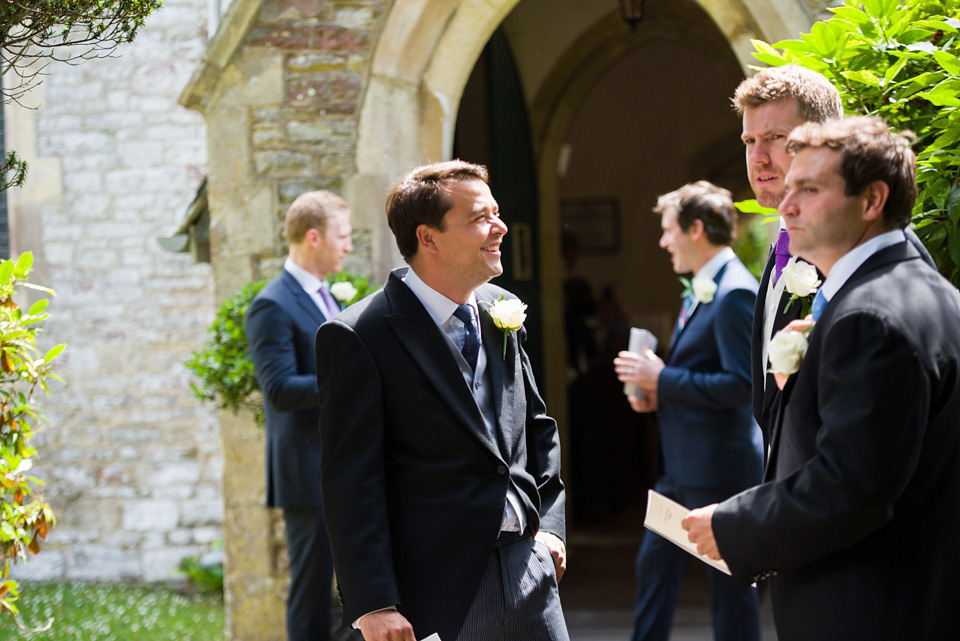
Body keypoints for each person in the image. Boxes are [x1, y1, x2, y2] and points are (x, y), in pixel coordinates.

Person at [683, 116, 960, 640]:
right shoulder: (928, 290)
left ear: (872, 201)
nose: (786, 206)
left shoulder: (868, 317)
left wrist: (732, 524)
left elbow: (851, 486)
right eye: (789, 189)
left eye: (808, 189)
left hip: (870, 609)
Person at [315, 160, 568, 641]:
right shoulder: (359, 335)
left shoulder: (500, 310)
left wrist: (550, 528)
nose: (500, 227)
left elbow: (537, 428)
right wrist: (373, 603)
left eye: (496, 212)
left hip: (529, 574)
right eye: (479, 218)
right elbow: (351, 482)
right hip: (437, 591)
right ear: (428, 238)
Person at [735, 65, 933, 439]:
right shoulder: (783, 242)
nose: (758, 157)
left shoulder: (874, 264)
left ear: (823, 141)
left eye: (776, 136)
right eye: (749, 141)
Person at [614, 181, 762, 641]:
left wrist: (663, 379)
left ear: (695, 229)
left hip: (719, 470)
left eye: (667, 229)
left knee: (732, 590)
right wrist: (658, 394)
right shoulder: (703, 288)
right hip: (680, 470)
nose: (662, 241)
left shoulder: (734, 292)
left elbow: (743, 385)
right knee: (654, 570)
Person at [246, 190, 353, 641]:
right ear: (313, 237)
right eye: (342, 236)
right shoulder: (272, 304)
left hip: (341, 464)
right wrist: (352, 383)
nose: (348, 245)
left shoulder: (329, 296)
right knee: (310, 591)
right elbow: (278, 390)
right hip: (306, 470)